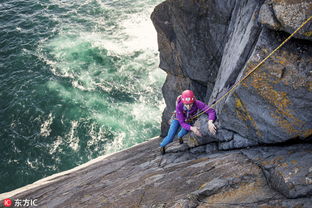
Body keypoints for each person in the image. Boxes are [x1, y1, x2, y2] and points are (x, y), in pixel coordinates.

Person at [160, 90, 217, 154]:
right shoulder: (179, 106)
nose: (189, 106)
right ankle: (162, 146)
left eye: (190, 104)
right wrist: (192, 128)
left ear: (193, 101)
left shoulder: (196, 103)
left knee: (184, 132)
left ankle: (180, 137)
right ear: (183, 102)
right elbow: (182, 123)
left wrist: (210, 122)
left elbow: (211, 111)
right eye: (186, 104)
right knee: (170, 137)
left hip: (188, 118)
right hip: (177, 119)